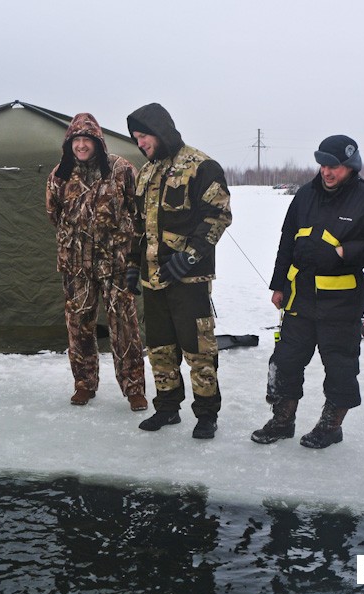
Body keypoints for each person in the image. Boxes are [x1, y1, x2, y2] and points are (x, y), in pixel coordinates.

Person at [251, 135, 364, 449]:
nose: (327, 172)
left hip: (341, 304)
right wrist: (278, 285)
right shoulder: (305, 195)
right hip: (299, 297)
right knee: (285, 361)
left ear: (351, 166)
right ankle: (282, 421)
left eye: (335, 166)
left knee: (340, 367)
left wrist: (348, 252)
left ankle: (331, 426)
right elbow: (286, 243)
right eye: (323, 165)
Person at [126, 103, 232, 439]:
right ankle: (168, 408)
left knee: (199, 349)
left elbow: (218, 216)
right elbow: (137, 227)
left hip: (189, 280)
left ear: (160, 130)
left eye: (144, 136)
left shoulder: (201, 166)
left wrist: (189, 256)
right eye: (136, 138)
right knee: (159, 348)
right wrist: (132, 266)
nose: (140, 143)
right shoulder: (146, 173)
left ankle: (206, 414)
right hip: (153, 278)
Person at [46, 113, 147, 411]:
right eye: (75, 140)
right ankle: (84, 384)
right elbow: (53, 214)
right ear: (69, 144)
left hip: (115, 265)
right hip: (76, 267)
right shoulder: (60, 174)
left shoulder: (121, 169)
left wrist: (126, 250)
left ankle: (134, 389)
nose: (80, 145)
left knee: (124, 327)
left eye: (85, 140)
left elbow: (137, 210)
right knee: (79, 327)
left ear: (97, 142)